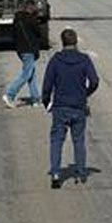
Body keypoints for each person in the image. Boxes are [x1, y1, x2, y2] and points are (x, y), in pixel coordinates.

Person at [41, 28, 100, 189]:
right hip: (78, 106)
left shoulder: (56, 60)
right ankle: (81, 173)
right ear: (76, 42)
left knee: (57, 140)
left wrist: (46, 102)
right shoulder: (84, 59)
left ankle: (55, 173)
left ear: (63, 42)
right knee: (78, 139)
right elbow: (94, 81)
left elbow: (47, 84)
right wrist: (85, 94)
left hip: (60, 106)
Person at [2, 0, 47, 108]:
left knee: (31, 73)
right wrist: (37, 19)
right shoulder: (31, 20)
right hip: (29, 50)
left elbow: (13, 35)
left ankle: (35, 98)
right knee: (26, 74)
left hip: (21, 50)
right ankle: (10, 94)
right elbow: (38, 33)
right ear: (31, 9)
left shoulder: (17, 19)